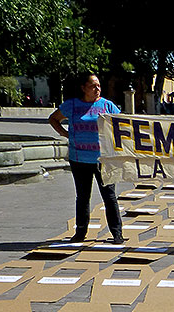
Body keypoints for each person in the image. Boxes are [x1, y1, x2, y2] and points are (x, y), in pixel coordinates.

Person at [47, 73, 124, 244]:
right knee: (82, 197)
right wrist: (65, 134)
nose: (97, 89)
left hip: (103, 160)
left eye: (98, 86)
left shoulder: (107, 106)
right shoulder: (72, 105)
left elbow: (123, 125)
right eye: (93, 86)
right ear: (83, 88)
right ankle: (80, 233)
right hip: (79, 158)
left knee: (109, 196)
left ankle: (117, 233)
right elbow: (53, 119)